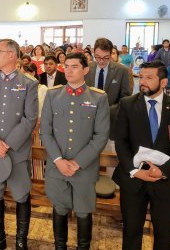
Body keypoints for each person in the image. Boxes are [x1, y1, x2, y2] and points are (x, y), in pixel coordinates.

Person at [112, 60, 170, 250]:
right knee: (131, 234)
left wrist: (163, 171)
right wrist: (134, 171)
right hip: (134, 181)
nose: (142, 81)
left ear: (163, 82)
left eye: (149, 77)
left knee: (164, 237)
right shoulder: (127, 104)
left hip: (165, 182)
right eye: (141, 76)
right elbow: (121, 142)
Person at [40, 52, 109, 250]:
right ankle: (59, 246)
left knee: (83, 211)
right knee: (60, 208)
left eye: (74, 66)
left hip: (84, 168)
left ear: (85, 70)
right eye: (66, 66)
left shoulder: (98, 98)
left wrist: (77, 163)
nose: (68, 70)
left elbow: (101, 136)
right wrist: (59, 160)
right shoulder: (53, 95)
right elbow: (45, 132)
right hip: (57, 166)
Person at [0, 39, 38, 250]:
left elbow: (30, 119)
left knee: (21, 194)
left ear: (12, 55)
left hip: (17, 151)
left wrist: (7, 144)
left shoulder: (29, 83)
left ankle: (21, 241)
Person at [85, 38, 131, 139]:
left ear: (111, 54)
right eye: (97, 57)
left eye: (106, 57)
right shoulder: (86, 68)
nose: (101, 61)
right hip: (87, 119)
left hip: (111, 119)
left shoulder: (121, 70)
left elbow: (125, 99)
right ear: (93, 53)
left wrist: (108, 110)